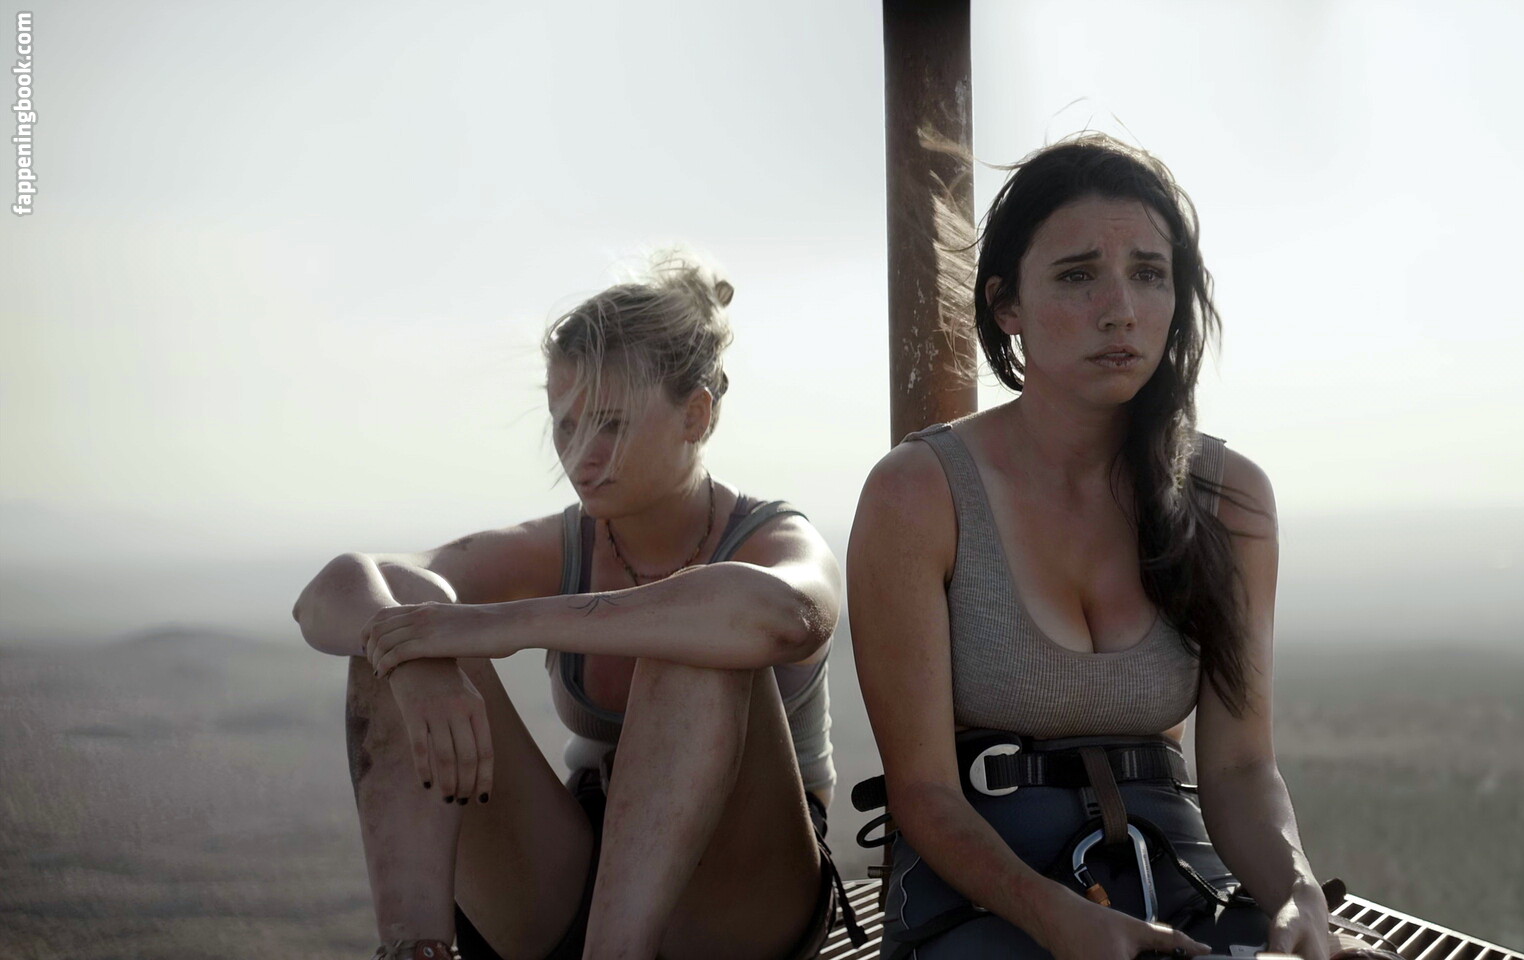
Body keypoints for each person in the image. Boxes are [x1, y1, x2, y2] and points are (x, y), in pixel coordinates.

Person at [848, 135, 1382, 960]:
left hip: (1180, 877)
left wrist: (1297, 897)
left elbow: (1240, 769)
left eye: (1149, 274)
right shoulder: (919, 493)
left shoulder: (1229, 497)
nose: (1120, 309)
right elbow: (922, 793)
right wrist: (1058, 918)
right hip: (985, 896)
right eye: (1077, 275)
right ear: (1006, 306)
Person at [293, 251, 857, 960]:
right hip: (586, 869)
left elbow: (786, 616)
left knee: (698, 636)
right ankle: (415, 949)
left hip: (745, 890)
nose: (580, 456)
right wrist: (419, 664)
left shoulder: (774, 535)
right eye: (565, 424)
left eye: (611, 424)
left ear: (695, 415)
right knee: (397, 625)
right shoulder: (566, 542)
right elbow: (331, 595)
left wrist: (499, 624)